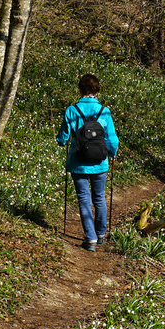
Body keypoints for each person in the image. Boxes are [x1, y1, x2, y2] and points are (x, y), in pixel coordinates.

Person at [56, 74, 119, 252]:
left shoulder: (72, 110)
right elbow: (112, 140)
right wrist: (112, 153)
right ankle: (101, 234)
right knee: (99, 197)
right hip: (100, 163)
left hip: (78, 163)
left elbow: (62, 139)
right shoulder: (104, 111)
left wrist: (61, 141)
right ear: (97, 90)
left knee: (84, 199)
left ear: (80, 89)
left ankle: (90, 238)